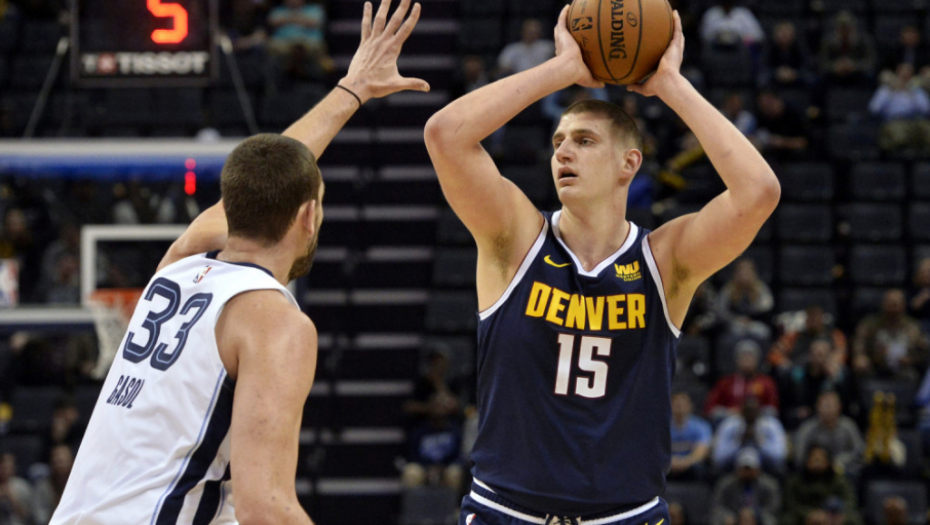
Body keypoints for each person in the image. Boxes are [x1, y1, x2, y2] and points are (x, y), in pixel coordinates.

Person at [49, 1, 429, 523]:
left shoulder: (176, 268)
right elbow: (264, 507)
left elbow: (266, 176)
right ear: (309, 217)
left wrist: (352, 90)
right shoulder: (277, 322)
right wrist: (352, 88)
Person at [424, 2, 780, 520]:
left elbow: (759, 192)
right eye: (558, 142)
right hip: (505, 511)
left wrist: (671, 86)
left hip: (625, 514)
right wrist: (561, 69)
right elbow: (445, 135)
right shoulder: (515, 238)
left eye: (584, 141)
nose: (563, 153)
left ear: (628, 163)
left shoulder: (665, 261)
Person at [852, 288, 928, 380]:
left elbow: (924, 350)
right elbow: (859, 344)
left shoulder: (913, 326)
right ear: (883, 304)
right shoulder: (869, 324)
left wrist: (911, 359)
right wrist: (861, 357)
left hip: (904, 368)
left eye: (895, 305)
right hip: (875, 365)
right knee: (861, 365)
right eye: (890, 304)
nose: (892, 309)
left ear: (903, 305)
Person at [780, 339, 857, 428]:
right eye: (814, 354)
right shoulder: (797, 375)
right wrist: (796, 411)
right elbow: (787, 403)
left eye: (821, 355)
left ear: (829, 357)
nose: (817, 359)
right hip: (803, 418)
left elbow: (846, 404)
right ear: (809, 355)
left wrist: (835, 379)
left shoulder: (838, 376)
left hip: (829, 418)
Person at [781, 446, 861, 525]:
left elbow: (849, 501)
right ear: (807, 461)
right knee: (788, 520)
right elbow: (791, 503)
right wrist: (809, 514)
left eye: (821, 458)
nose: (817, 462)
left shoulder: (839, 480)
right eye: (814, 458)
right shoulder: (795, 480)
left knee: (854, 519)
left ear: (828, 461)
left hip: (833, 514)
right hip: (805, 515)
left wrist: (834, 515)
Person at [792, 391, 864, 478]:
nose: (829, 409)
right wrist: (815, 462)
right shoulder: (807, 428)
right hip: (814, 472)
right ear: (817, 407)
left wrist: (840, 461)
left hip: (845, 470)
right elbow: (799, 454)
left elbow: (859, 450)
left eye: (832, 405)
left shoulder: (848, 426)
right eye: (826, 405)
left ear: (839, 407)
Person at [705, 340, 779, 422]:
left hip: (759, 421)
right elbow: (710, 408)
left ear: (757, 360)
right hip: (731, 420)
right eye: (743, 357)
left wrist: (754, 413)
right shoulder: (725, 382)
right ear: (737, 360)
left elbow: (773, 407)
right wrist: (728, 412)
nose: (747, 360)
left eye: (750, 357)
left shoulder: (766, 383)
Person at [712, 397, 787, 475]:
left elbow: (779, 457)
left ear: (759, 410)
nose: (750, 414)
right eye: (747, 410)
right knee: (716, 471)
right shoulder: (729, 424)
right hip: (734, 468)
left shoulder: (771, 424)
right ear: (741, 410)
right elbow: (718, 458)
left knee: (780, 470)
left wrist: (760, 442)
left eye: (753, 410)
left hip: (764, 468)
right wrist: (738, 443)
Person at [869, 63, 930, 156]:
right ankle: (900, 157)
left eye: (907, 75)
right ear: (897, 74)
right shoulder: (886, 89)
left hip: (915, 121)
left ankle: (923, 158)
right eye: (902, 74)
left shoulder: (916, 90)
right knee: (900, 134)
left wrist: (911, 93)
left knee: (927, 129)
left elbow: (926, 109)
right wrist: (891, 91)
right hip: (894, 121)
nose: (904, 77)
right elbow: (874, 109)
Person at [709, 448, 781, 525]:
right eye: (744, 469)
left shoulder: (769, 485)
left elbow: (773, 506)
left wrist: (755, 514)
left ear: (758, 469)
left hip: (759, 516)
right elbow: (717, 505)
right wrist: (726, 516)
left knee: (770, 521)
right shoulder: (726, 484)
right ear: (737, 469)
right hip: (733, 516)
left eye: (750, 469)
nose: (747, 472)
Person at [818, 11, 876, 87]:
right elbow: (822, 62)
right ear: (837, 29)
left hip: (857, 73)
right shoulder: (828, 41)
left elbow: (871, 62)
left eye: (848, 28)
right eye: (842, 28)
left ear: (853, 28)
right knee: (820, 80)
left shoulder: (864, 40)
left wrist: (854, 65)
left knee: (870, 77)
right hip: (835, 74)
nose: (845, 32)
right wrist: (835, 66)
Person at [669, 391, 712, 480]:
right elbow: (657, 451)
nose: (680, 408)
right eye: (676, 405)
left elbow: (702, 450)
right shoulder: (662, 428)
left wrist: (686, 462)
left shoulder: (701, 425)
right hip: (668, 465)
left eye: (683, 404)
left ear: (690, 406)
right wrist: (670, 461)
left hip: (691, 466)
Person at [698, 0, 764, 49]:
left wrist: (741, 37)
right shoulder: (712, 13)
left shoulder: (743, 13)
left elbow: (759, 36)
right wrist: (718, 36)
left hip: (739, 50)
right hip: (716, 50)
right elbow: (703, 35)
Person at [0, 452, 33, 525]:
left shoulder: (22, 486)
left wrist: (11, 498)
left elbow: (27, 516)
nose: (4, 470)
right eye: (2, 466)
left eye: (7, 467)